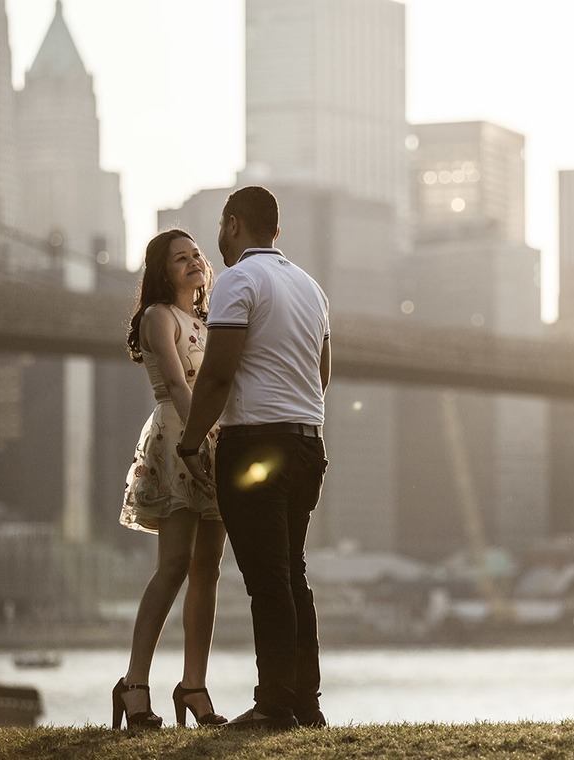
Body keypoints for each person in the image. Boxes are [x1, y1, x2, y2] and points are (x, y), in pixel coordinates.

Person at [177, 185, 331, 731]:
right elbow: (323, 374)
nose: (218, 237)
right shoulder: (311, 288)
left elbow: (216, 375)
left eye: (221, 226)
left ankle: (272, 706)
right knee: (292, 575)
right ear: (277, 231)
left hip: (254, 446)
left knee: (267, 580)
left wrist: (190, 442)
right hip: (308, 444)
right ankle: (304, 703)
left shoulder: (238, 280)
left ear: (235, 225)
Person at [113, 229, 229, 730]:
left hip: (215, 442)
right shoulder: (158, 317)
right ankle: (135, 685)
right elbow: (180, 383)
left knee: (209, 569)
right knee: (175, 565)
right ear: (162, 271)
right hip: (180, 439)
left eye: (196, 255)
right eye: (180, 258)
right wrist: (198, 439)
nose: (193, 263)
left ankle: (193, 686)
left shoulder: (209, 320)